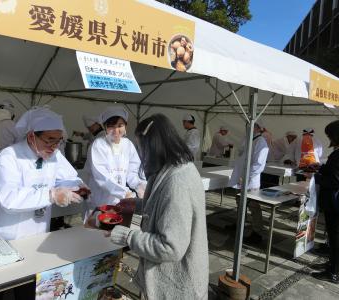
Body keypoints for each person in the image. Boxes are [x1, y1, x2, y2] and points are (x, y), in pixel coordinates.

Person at [109, 114, 209, 299]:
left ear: (153, 145)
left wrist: (126, 235)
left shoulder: (177, 181)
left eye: (142, 148)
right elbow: (162, 205)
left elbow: (169, 247)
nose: (141, 154)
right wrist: (133, 204)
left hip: (177, 288)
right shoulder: (172, 166)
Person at [0, 107, 88, 241]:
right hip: (7, 231)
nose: (54, 146)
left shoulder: (54, 155)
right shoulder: (9, 156)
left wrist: (77, 187)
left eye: (58, 141)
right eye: (49, 140)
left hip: (38, 229)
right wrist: (51, 195)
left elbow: (68, 177)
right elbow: (9, 198)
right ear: (31, 136)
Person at [84, 106, 146, 218]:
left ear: (126, 125)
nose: (116, 131)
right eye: (111, 126)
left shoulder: (128, 145)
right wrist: (124, 193)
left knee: (117, 233)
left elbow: (132, 172)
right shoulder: (98, 145)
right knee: (97, 233)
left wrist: (139, 185)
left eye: (120, 126)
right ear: (105, 127)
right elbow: (102, 178)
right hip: (100, 200)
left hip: (121, 201)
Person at [309, 120, 339, 284]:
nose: (328, 138)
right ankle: (332, 264)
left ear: (337, 135)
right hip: (335, 202)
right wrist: (320, 167)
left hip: (335, 202)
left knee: (335, 237)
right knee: (333, 236)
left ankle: (333, 273)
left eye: (329, 135)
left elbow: (336, 181)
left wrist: (316, 177)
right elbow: (335, 171)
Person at [229, 121, 269, 244]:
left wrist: (246, 176)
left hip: (249, 181)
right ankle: (240, 225)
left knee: (253, 207)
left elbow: (258, 164)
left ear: (257, 128)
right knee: (240, 203)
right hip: (241, 178)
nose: (247, 127)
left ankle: (258, 233)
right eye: (246, 124)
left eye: (250, 125)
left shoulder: (261, 142)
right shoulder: (247, 139)